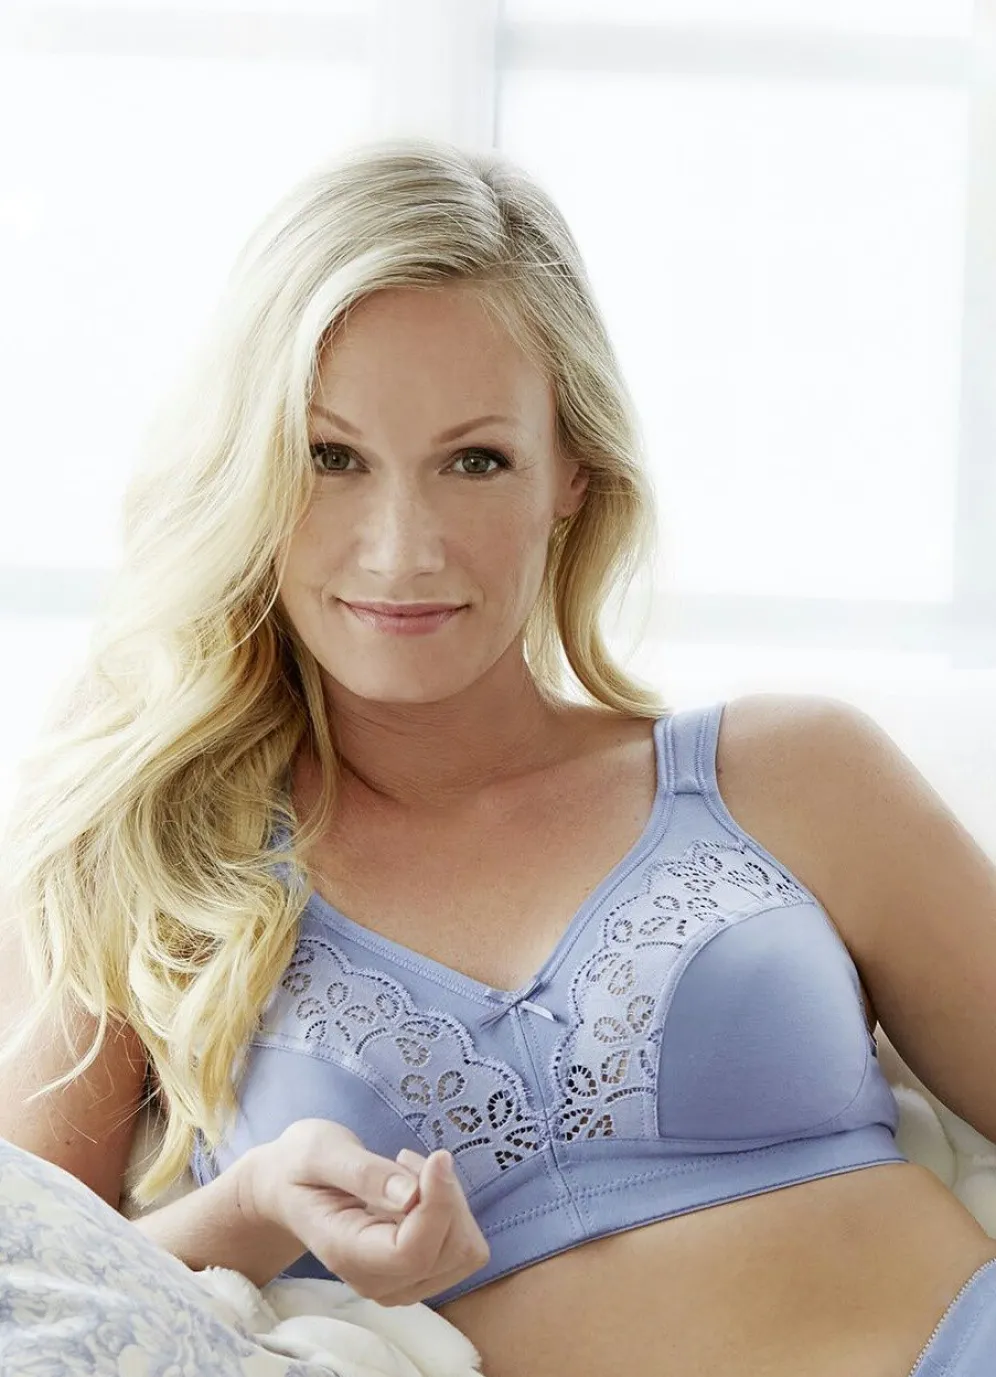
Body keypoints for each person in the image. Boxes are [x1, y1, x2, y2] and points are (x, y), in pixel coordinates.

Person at [1, 135, 996, 1377]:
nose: (401, 548)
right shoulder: (147, 857)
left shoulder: (794, 774)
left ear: (571, 473)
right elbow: (30, 1282)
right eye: (330, 458)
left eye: (475, 460)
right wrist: (251, 1208)